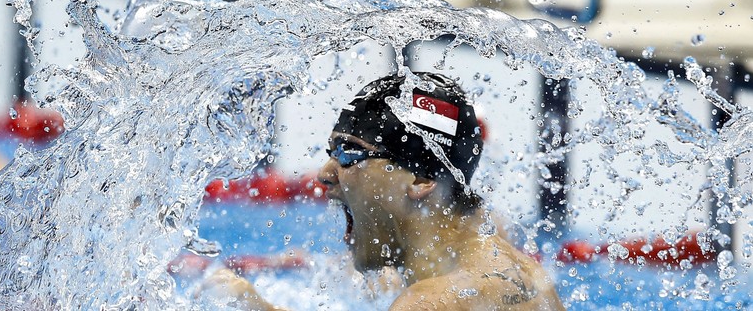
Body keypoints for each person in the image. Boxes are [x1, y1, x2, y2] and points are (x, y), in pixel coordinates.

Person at [198, 72, 564, 310]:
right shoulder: (502, 268)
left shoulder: (432, 301)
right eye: (330, 152)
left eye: (348, 153)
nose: (325, 174)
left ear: (421, 181)